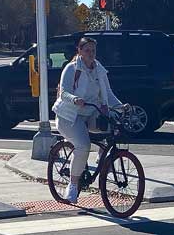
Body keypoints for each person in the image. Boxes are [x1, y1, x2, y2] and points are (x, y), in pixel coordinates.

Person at [52, 36, 124, 203]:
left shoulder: (99, 69)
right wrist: (74, 99)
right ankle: (73, 185)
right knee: (83, 145)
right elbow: (63, 92)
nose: (91, 53)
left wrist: (121, 106)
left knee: (113, 124)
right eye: (87, 50)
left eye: (93, 50)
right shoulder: (71, 69)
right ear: (80, 51)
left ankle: (102, 155)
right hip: (69, 116)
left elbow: (109, 94)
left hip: (90, 113)